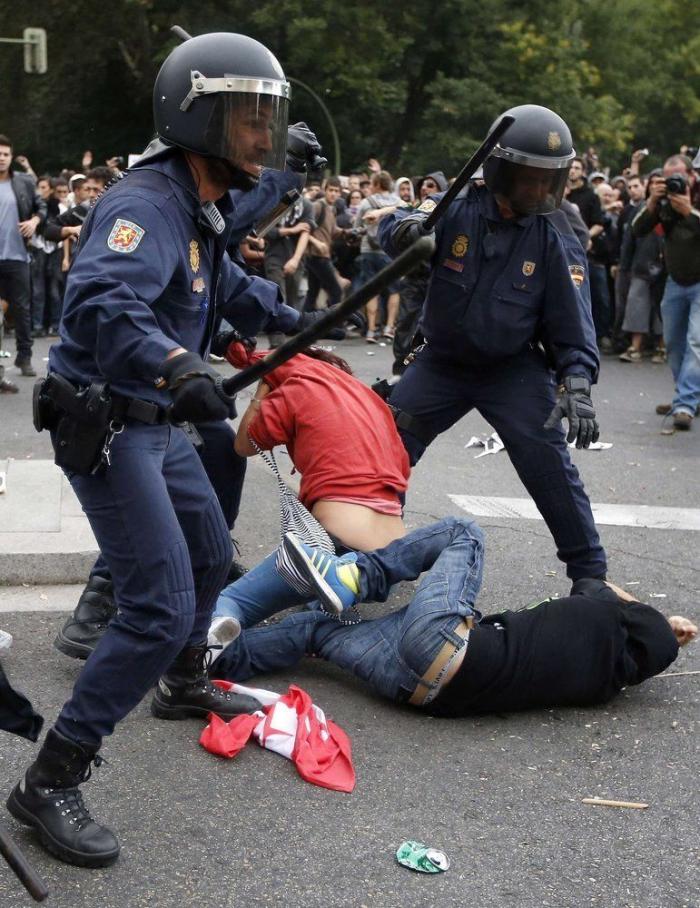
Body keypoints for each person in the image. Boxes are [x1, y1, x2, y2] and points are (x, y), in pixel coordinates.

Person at [5, 31, 312, 870]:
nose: (265, 136)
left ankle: (180, 683)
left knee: (211, 550)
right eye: (248, 118)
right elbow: (102, 299)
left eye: (267, 118)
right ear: (198, 116)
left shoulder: (201, 199)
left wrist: (293, 322)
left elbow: (220, 288)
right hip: (109, 424)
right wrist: (179, 366)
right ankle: (50, 779)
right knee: (157, 605)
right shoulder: (148, 202)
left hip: (154, 421)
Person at [379, 105, 607, 587]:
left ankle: (591, 578)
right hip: (441, 363)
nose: (541, 190)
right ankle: (361, 552)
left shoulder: (555, 233)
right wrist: (403, 234)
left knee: (548, 464)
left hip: (513, 370)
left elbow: (573, 324)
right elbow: (399, 226)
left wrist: (578, 383)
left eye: (551, 179)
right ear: (501, 169)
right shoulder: (453, 206)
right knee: (381, 449)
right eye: (530, 178)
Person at [211, 519, 697, 717]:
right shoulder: (600, 684)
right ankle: (208, 659)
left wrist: (663, 622)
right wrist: (666, 640)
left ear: (632, 620)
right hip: (419, 691)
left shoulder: (602, 617)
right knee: (317, 629)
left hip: (445, 644)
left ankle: (356, 577)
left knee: (463, 533)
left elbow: (599, 585)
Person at [208, 340, 410, 641]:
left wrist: (262, 393)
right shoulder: (367, 397)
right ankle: (329, 610)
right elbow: (405, 470)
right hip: (389, 562)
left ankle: (203, 652)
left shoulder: (294, 388)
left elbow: (243, 445)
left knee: (232, 602)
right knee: (314, 603)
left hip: (330, 549)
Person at [632, 155, 700, 432]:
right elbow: (637, 230)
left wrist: (689, 212)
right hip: (675, 280)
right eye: (668, 177)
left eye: (679, 176)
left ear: (692, 174)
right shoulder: (663, 202)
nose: (674, 182)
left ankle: (684, 403)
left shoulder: (691, 201)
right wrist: (651, 202)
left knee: (696, 342)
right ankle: (689, 396)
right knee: (673, 343)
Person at [0, 134, 46, 380]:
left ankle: (25, 356)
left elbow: (43, 208)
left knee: (22, 309)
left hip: (18, 256)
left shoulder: (24, 183)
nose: (2, 159)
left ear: (11, 156)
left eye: (6, 154)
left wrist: (34, 221)